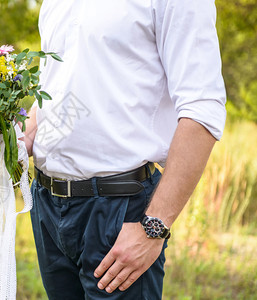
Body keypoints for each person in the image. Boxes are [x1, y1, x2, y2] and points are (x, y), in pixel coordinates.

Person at [21, 0, 227, 299]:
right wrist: (25, 137)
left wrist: (153, 227)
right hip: (47, 207)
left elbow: (202, 110)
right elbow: (63, 90)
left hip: (120, 211)